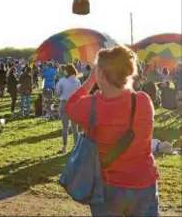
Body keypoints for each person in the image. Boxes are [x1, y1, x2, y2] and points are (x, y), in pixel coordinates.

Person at [65, 45, 159, 217]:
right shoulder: (143, 101)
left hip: (108, 186)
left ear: (100, 73)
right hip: (143, 183)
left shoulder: (90, 106)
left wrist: (90, 80)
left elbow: (69, 106)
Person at [55, 63, 81, 154]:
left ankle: (64, 147)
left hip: (64, 103)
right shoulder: (78, 81)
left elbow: (57, 94)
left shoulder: (62, 80)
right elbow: (79, 94)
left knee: (65, 127)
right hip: (74, 104)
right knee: (75, 127)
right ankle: (76, 146)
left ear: (66, 71)